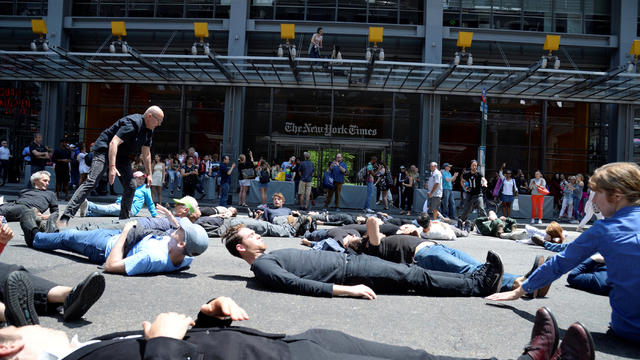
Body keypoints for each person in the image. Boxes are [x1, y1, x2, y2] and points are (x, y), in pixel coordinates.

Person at [0, 298, 596, 360]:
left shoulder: (76, 352)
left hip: (291, 344)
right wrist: (160, 341)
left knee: (417, 355)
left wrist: (206, 317)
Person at [487, 162, 640, 343]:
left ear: (616, 196)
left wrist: (520, 291)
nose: (593, 200)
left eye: (598, 193)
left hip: (628, 332)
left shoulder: (606, 229)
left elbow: (560, 263)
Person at [222, 223, 505, 299]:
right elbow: (297, 285)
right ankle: (478, 284)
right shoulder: (261, 266)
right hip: (351, 272)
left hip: (352, 264)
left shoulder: (268, 257)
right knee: (415, 277)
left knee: (413, 275)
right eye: (251, 235)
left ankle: (478, 280)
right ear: (240, 247)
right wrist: (349, 290)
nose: (258, 235)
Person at [58, 106, 163, 226]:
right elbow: (114, 143)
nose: (159, 124)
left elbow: (146, 153)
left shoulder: (149, 130)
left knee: (131, 185)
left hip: (122, 156)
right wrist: (112, 167)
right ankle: (65, 217)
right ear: (149, 116)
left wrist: (149, 173)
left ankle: (123, 221)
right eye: (158, 120)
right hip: (104, 150)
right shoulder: (132, 124)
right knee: (92, 181)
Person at [32, 215, 208, 276]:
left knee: (69, 237)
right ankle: (49, 232)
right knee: (69, 235)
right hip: (122, 238)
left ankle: (35, 237)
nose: (178, 227)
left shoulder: (151, 258)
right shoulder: (187, 259)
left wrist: (125, 231)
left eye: (182, 230)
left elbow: (111, 266)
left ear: (183, 242)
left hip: (105, 246)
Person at [0, 171, 58, 244]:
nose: (47, 184)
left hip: (27, 209)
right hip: (14, 205)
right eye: (45, 181)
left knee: (6, 211)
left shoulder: (50, 194)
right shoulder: (24, 191)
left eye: (48, 181)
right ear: (35, 181)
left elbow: (55, 212)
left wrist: (44, 216)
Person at [78, 171, 157, 218]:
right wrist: (119, 200)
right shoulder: (131, 185)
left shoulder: (145, 188)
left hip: (130, 209)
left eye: (143, 179)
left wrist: (154, 214)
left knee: (108, 209)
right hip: (120, 204)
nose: (142, 180)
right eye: (139, 178)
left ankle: (89, 205)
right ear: (134, 179)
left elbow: (150, 202)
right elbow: (124, 196)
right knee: (108, 212)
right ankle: (88, 213)